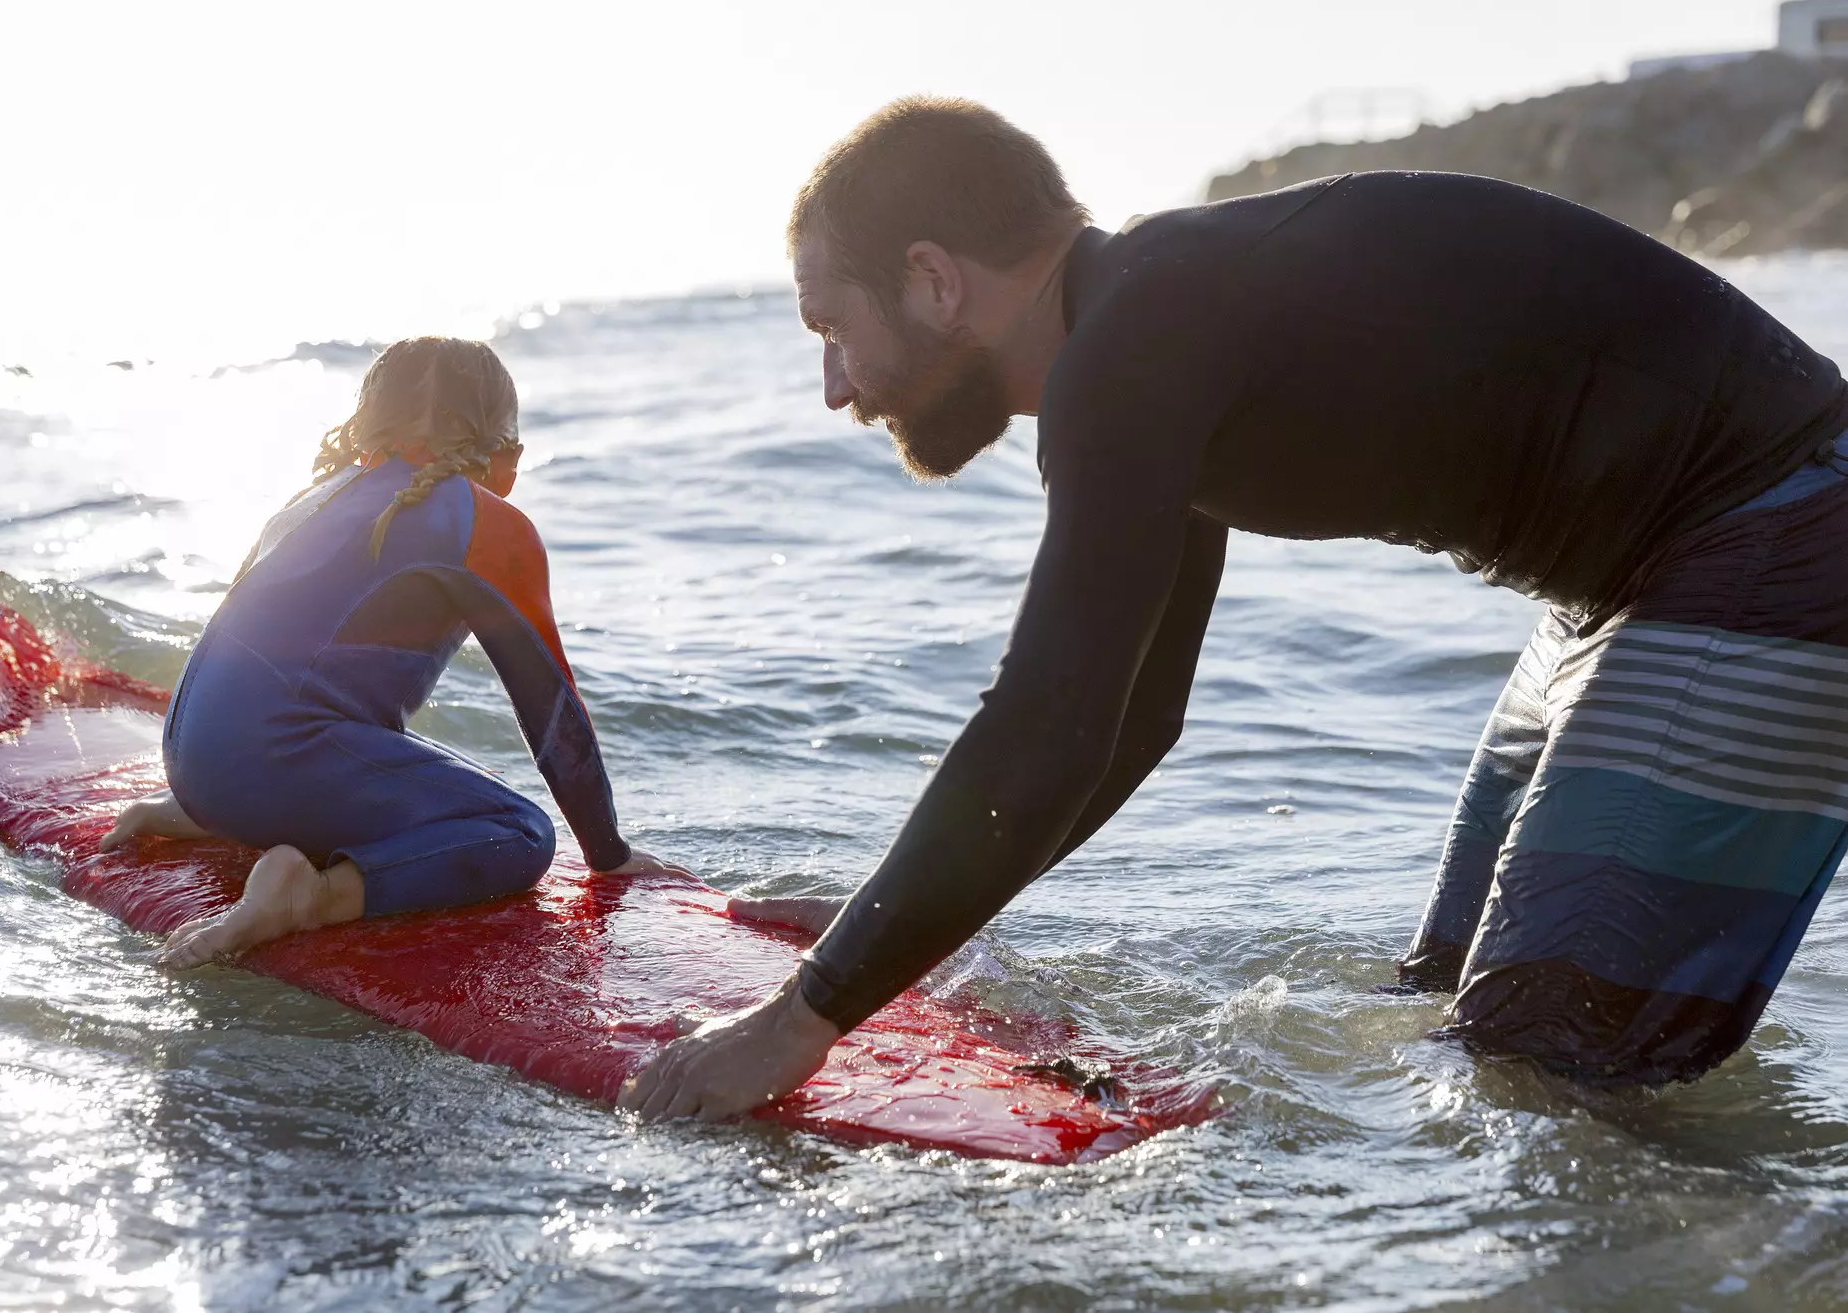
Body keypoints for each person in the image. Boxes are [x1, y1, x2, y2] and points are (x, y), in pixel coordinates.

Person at [621, 97, 1848, 1120]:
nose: (834, 387)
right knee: (1451, 1004)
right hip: (1649, 575)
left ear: (934, 280)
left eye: (830, 326)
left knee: (1546, 1071)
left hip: (1777, 529)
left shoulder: (1139, 335)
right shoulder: (1155, 314)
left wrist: (801, 1018)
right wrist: (896, 926)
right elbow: (1131, 712)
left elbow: (1049, 717)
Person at [102, 335, 674, 967]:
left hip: (194, 764)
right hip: (267, 768)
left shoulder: (308, 500)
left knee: (335, 725)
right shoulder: (485, 527)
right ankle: (308, 896)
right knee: (520, 833)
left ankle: (215, 814)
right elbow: (553, 714)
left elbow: (240, 649)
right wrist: (608, 855)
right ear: (504, 447)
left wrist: (213, 792)